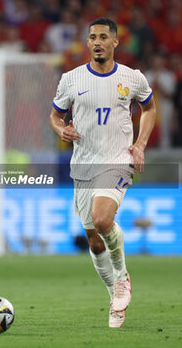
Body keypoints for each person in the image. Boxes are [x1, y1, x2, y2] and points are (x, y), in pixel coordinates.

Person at [49, 17, 156, 328]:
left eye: (103, 37)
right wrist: (62, 130)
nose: (97, 42)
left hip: (117, 160)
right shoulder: (70, 79)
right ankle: (114, 295)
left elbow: (149, 108)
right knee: (95, 241)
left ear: (115, 42)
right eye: (92, 37)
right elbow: (55, 115)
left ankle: (122, 278)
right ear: (88, 42)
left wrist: (140, 144)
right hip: (83, 165)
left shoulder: (132, 78)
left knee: (102, 218)